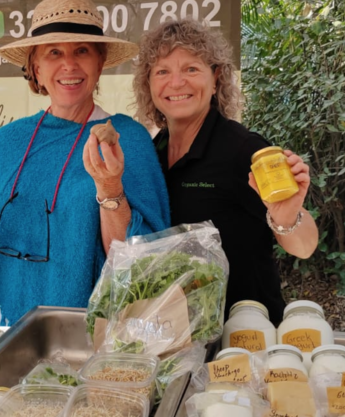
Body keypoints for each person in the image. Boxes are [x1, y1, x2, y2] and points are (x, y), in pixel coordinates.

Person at [0, 0, 170, 327]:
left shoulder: (126, 139)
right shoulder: (6, 143)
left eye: (81, 51)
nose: (69, 64)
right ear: (36, 68)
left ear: (100, 63)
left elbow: (139, 260)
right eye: (54, 52)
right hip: (4, 331)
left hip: (87, 338)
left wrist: (110, 188)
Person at [133, 19, 319, 324]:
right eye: (162, 71)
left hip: (245, 332)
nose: (176, 83)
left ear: (216, 78)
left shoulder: (242, 148)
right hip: (181, 331)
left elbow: (305, 246)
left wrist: (286, 217)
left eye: (191, 69)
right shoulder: (153, 150)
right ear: (149, 83)